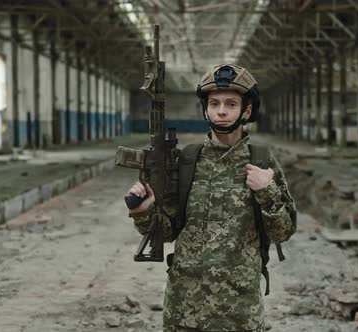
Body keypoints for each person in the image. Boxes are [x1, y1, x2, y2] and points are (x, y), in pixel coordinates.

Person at [126, 64, 296, 332]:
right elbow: (167, 232)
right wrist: (144, 211)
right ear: (205, 109)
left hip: (240, 312)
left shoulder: (262, 162)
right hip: (184, 310)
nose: (221, 111)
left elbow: (282, 232)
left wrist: (266, 191)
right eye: (214, 103)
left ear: (246, 110)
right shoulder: (187, 161)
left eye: (231, 103)